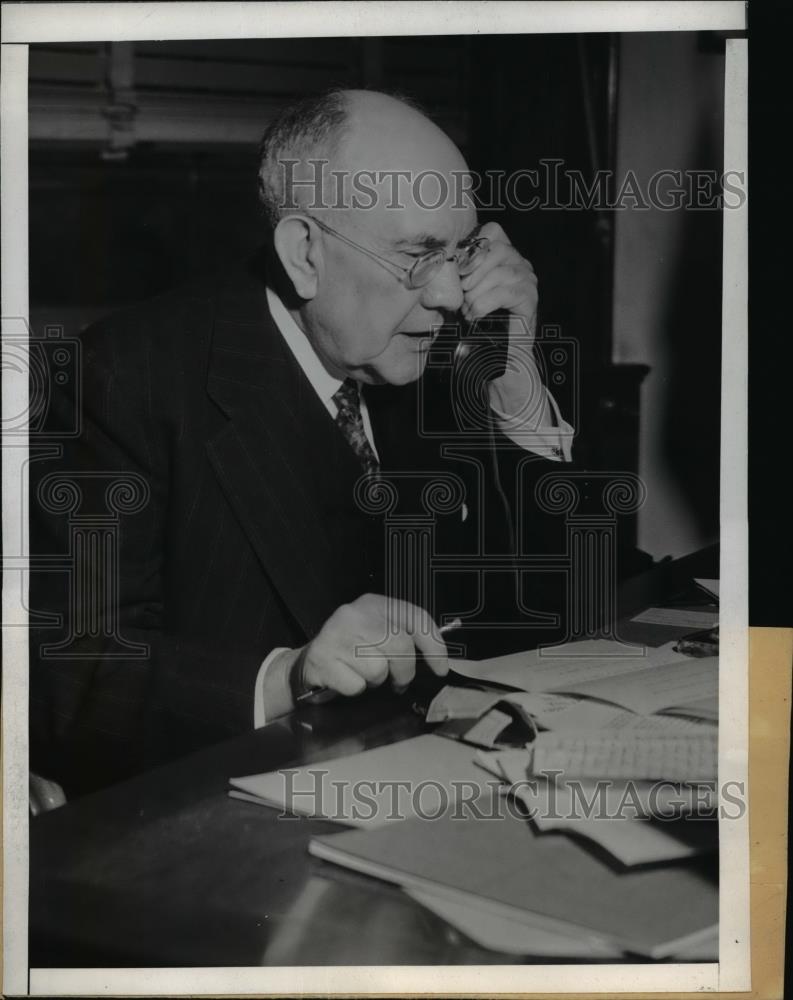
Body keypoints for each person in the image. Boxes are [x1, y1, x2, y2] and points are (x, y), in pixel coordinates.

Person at [29, 89, 573, 796]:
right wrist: (286, 677)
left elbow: (569, 606)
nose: (448, 295)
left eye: (462, 252)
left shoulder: (438, 352)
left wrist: (514, 381)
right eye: (418, 253)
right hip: (218, 820)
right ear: (304, 252)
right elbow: (75, 675)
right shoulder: (124, 378)